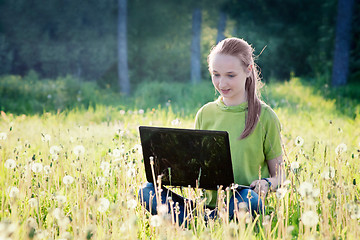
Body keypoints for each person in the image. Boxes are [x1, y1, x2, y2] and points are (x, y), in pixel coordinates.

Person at [138, 37, 285, 226]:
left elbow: (280, 176)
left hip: (242, 200)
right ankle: (209, 221)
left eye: (230, 75)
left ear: (248, 70)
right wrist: (173, 169)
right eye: (216, 74)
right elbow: (197, 168)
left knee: (251, 201)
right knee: (147, 191)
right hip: (205, 205)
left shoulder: (265, 116)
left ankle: (196, 223)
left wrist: (267, 183)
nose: (222, 83)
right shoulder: (205, 113)